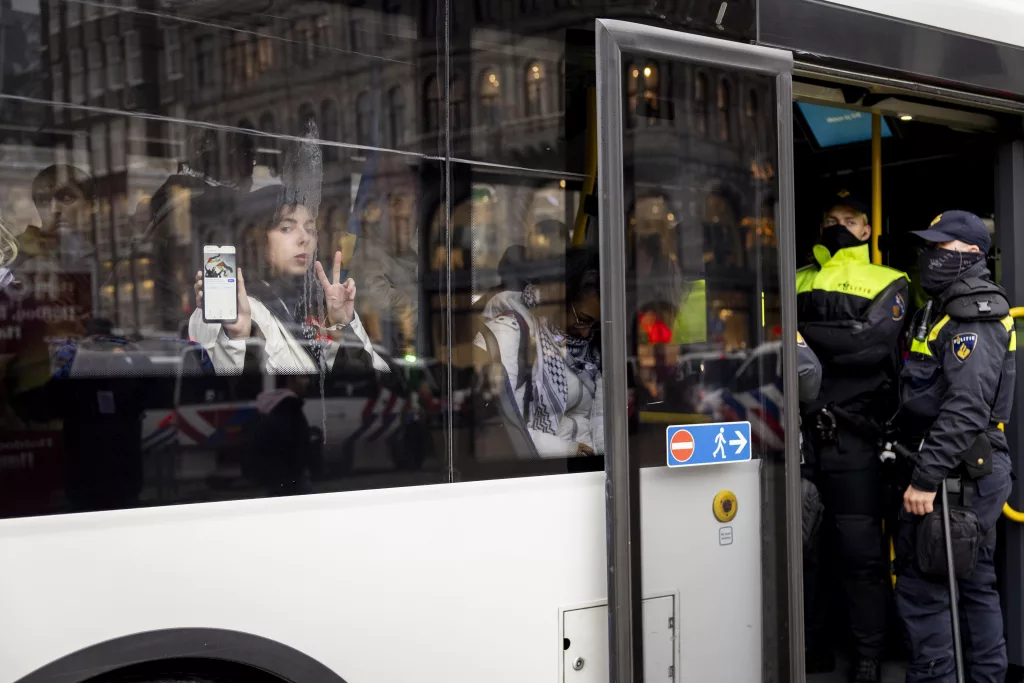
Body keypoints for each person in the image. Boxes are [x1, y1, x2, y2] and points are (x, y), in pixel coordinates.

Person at [894, 211, 1014, 683]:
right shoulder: (939, 307)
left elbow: (966, 408)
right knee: (974, 583)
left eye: (941, 248)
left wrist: (926, 479)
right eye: (929, 248)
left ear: (972, 253)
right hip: (961, 469)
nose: (930, 256)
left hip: (957, 475)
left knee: (926, 590)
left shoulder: (973, 313)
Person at [797, 190, 909, 683]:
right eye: (831, 217)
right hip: (803, 436)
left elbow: (868, 345)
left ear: (867, 229)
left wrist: (802, 334)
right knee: (805, 548)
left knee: (860, 552)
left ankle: (868, 655)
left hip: (857, 436)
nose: (839, 225)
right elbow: (774, 336)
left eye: (850, 218)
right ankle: (812, 646)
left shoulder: (892, 280)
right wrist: (828, 334)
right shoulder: (795, 277)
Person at [189, 185, 388, 376]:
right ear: (254, 238)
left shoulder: (315, 303)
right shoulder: (225, 310)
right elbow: (230, 391)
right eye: (286, 228)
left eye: (310, 229)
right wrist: (236, 338)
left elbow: (376, 382)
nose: (304, 238)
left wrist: (345, 326)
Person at [473, 248, 603, 458]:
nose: (586, 332)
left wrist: (603, 458)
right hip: (545, 467)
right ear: (561, 297)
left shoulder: (589, 349)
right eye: (583, 320)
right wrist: (567, 451)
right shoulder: (510, 333)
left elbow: (600, 418)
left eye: (594, 325)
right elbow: (505, 426)